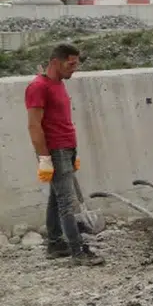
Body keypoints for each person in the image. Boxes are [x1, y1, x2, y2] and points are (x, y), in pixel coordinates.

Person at [25, 43, 103, 265]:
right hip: (55, 151)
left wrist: (72, 151)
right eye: (70, 64)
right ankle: (78, 252)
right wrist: (44, 158)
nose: (74, 69)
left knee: (56, 198)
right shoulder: (38, 87)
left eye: (76, 64)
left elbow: (61, 120)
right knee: (67, 203)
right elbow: (33, 125)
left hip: (66, 149)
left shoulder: (58, 83)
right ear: (55, 62)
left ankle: (55, 244)